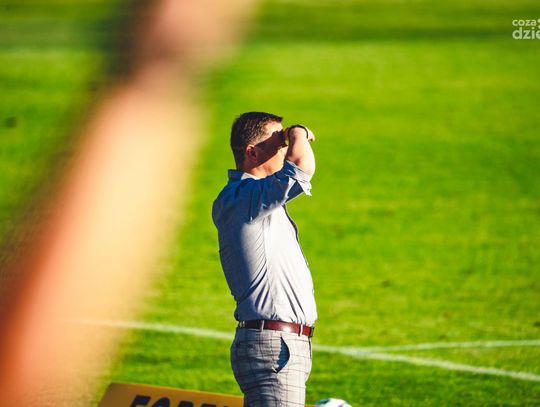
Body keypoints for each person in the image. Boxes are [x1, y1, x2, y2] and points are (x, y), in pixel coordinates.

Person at [212, 111, 318, 406]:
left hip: (277, 343)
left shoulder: (252, 198)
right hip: (274, 345)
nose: (285, 148)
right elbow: (301, 166)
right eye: (278, 143)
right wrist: (298, 132)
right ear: (252, 152)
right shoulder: (243, 197)